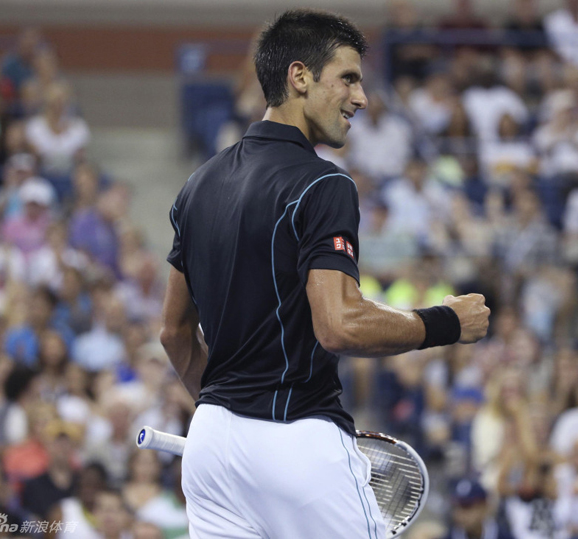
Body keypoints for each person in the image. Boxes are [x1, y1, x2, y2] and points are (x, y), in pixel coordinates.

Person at [160, 9, 490, 539]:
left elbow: (173, 334)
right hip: (295, 445)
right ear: (299, 77)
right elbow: (339, 325)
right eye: (349, 79)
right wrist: (446, 323)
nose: (361, 99)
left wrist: (233, 415)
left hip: (210, 446)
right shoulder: (324, 185)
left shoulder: (197, 184)